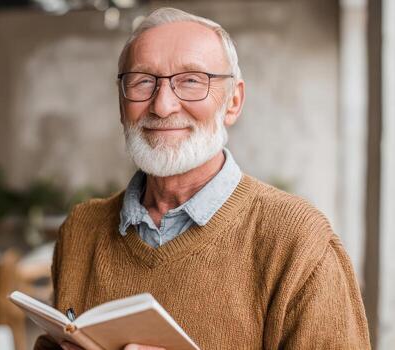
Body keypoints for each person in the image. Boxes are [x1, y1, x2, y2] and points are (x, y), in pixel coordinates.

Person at [34, 7, 370, 350]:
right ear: (122, 103)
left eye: (192, 80)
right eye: (142, 81)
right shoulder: (81, 228)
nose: (162, 106)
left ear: (233, 102)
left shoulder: (298, 241)